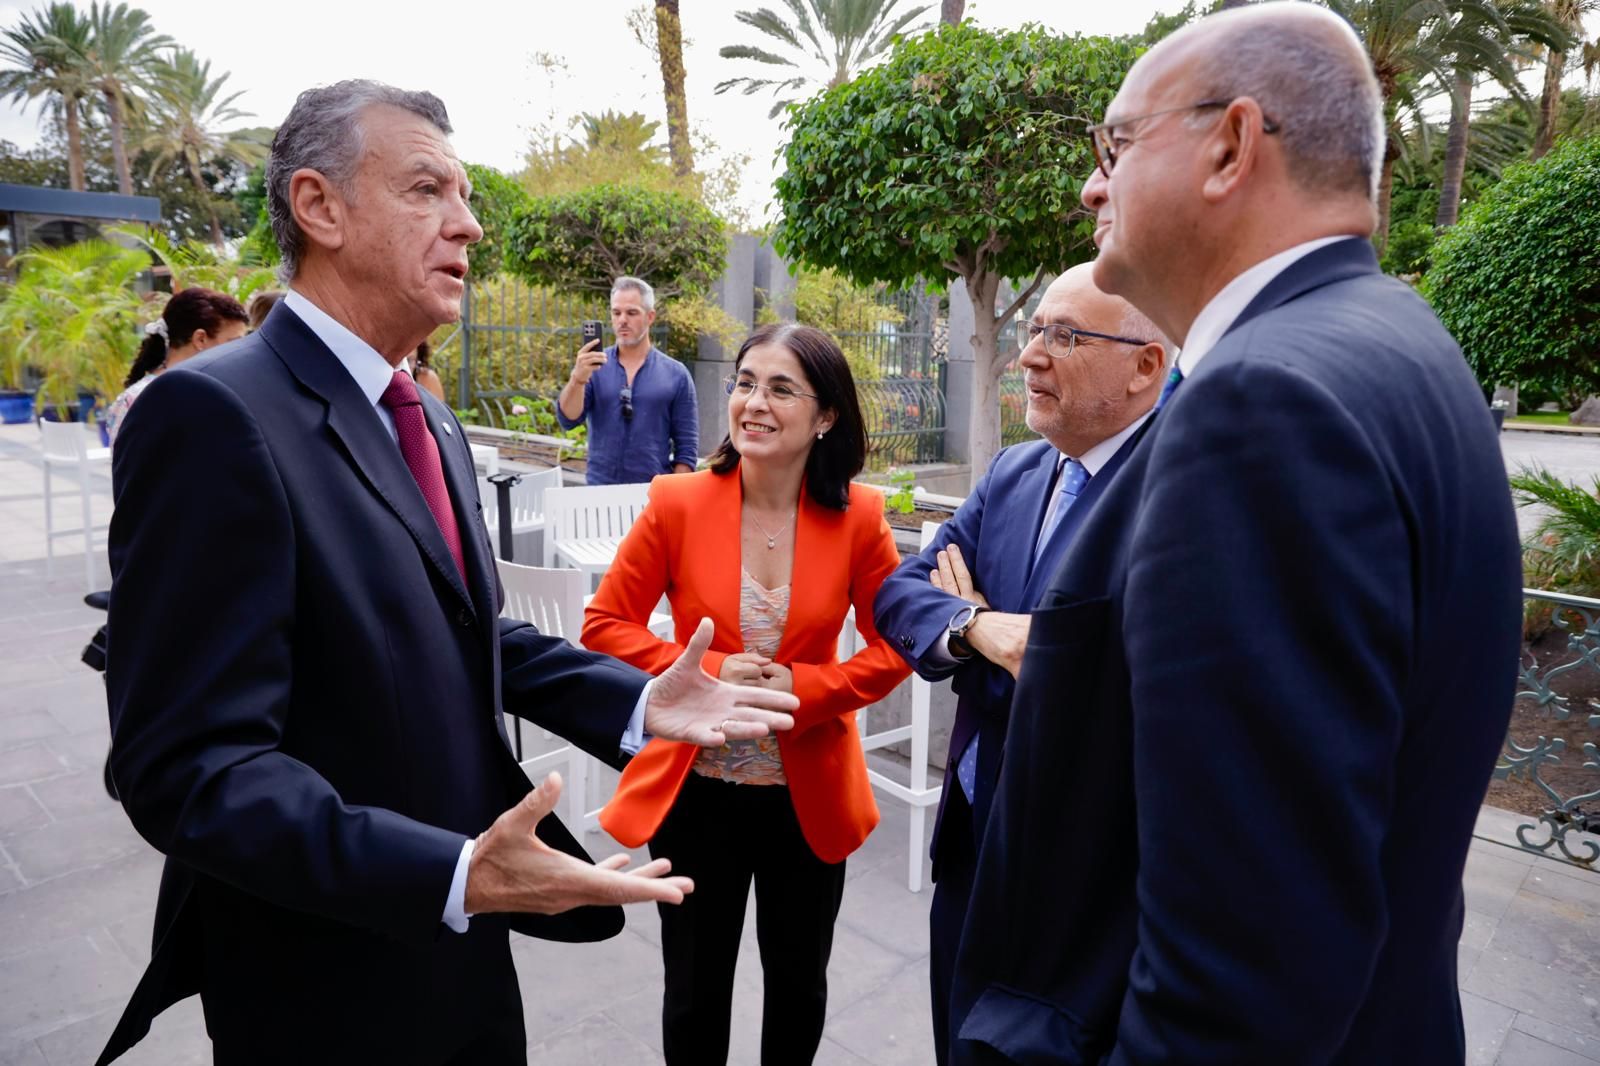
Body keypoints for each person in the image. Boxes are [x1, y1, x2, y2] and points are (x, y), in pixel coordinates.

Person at [97, 80, 799, 1066]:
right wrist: (451, 872)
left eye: (464, 194)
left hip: (464, 954)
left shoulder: (426, 415)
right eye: (428, 189)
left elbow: (469, 633)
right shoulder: (211, 416)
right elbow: (185, 770)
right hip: (326, 981)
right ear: (319, 206)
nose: (468, 224)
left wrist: (641, 704)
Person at [946, 5, 1524, 1064]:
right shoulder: (1401, 343)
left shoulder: (1259, 403)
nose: (1090, 186)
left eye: (1112, 145)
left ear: (1230, 144)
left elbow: (1243, 968)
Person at [583, 322, 910, 1066]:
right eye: (744, 383)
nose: (754, 403)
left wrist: (805, 687)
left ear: (826, 416)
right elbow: (604, 624)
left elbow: (897, 646)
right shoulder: (677, 501)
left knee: (799, 991)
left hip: (807, 798)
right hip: (695, 793)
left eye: (781, 388)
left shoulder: (859, 518)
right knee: (694, 995)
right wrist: (701, 673)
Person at [872, 263, 1167, 1065]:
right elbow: (898, 595)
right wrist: (980, 627)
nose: (1031, 354)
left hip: (1084, 882)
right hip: (972, 842)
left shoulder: (1185, 492)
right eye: (1035, 330)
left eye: (1064, 337)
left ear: (1148, 366)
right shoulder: (1013, 472)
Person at [556, 276, 698, 483]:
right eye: (616, 313)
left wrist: (674, 498)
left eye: (632, 312)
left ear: (650, 317)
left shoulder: (676, 374)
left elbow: (687, 448)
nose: (622, 320)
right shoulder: (593, 367)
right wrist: (578, 379)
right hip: (600, 494)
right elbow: (567, 419)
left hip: (652, 495)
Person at [103, 287, 248, 446]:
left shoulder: (215, 391)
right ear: (200, 339)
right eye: (234, 342)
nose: (240, 351)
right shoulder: (142, 399)